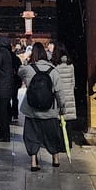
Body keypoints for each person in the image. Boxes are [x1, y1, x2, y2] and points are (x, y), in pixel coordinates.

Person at [18, 42, 64, 171]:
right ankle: (55, 158)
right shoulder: (53, 70)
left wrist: (25, 60)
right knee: (52, 135)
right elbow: (59, 91)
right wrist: (62, 107)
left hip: (32, 109)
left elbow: (19, 71)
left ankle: (33, 161)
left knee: (31, 135)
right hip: (49, 109)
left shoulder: (28, 69)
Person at [0, 35, 17, 142]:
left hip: (1, 86)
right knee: (3, 111)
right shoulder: (7, 53)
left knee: (2, 112)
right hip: (6, 86)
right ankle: (3, 133)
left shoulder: (1, 53)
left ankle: (4, 135)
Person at [54, 53, 78, 124]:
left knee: (60, 119)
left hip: (60, 94)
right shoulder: (70, 65)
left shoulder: (56, 66)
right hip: (69, 94)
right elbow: (73, 81)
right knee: (69, 118)